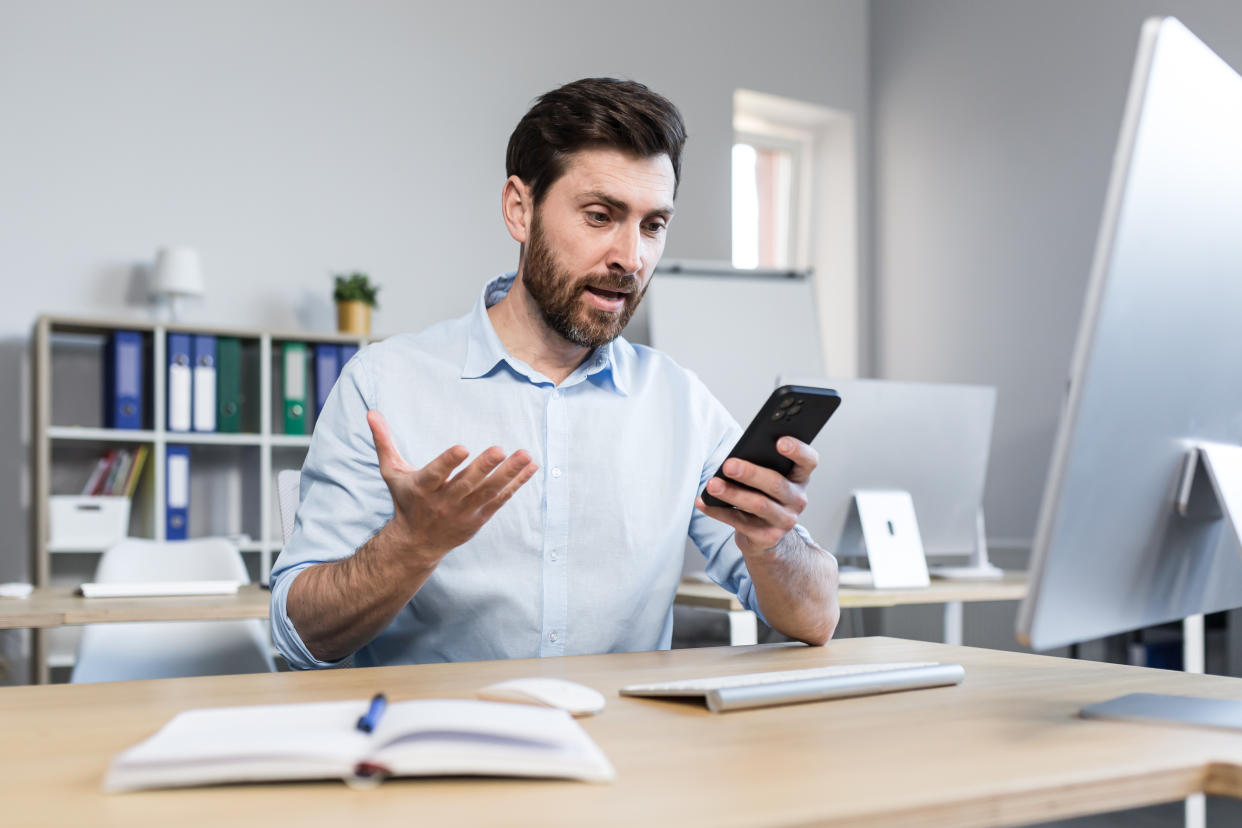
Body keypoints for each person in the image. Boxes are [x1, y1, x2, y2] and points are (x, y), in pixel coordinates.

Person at [270, 77, 840, 669]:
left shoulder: (679, 401)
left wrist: (771, 545)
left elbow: (818, 619)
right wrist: (410, 546)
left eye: (652, 226)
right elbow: (300, 638)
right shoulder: (385, 384)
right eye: (600, 216)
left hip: (627, 749)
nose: (631, 257)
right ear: (520, 209)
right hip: (434, 746)